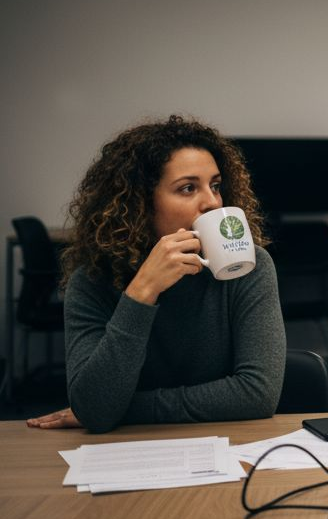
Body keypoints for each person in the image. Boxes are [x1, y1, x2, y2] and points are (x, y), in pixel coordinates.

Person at [26, 115, 285, 433]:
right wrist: (142, 292)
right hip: (124, 452)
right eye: (188, 188)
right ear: (140, 203)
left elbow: (257, 394)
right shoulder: (92, 280)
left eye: (216, 186)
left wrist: (128, 411)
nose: (212, 202)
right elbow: (95, 406)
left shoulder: (248, 267)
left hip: (228, 445)